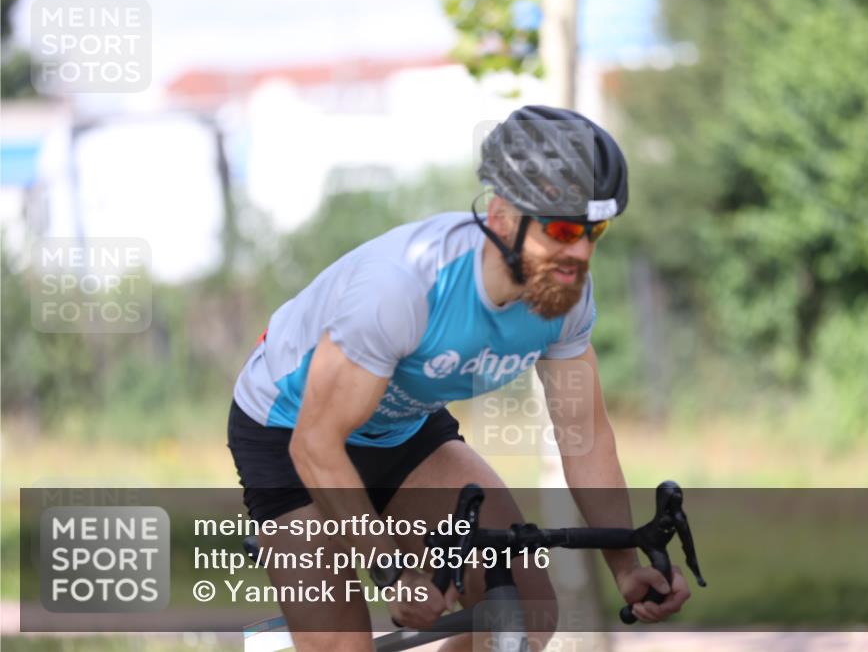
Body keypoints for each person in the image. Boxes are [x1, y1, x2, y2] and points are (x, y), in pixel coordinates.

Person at [227, 105, 691, 651]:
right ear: (501, 216)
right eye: (564, 229)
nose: (581, 253)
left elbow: (584, 439)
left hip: (399, 428)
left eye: (596, 231)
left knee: (525, 611)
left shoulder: (565, 297)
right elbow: (315, 444)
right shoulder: (404, 287)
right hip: (290, 433)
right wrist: (392, 570)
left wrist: (625, 564)